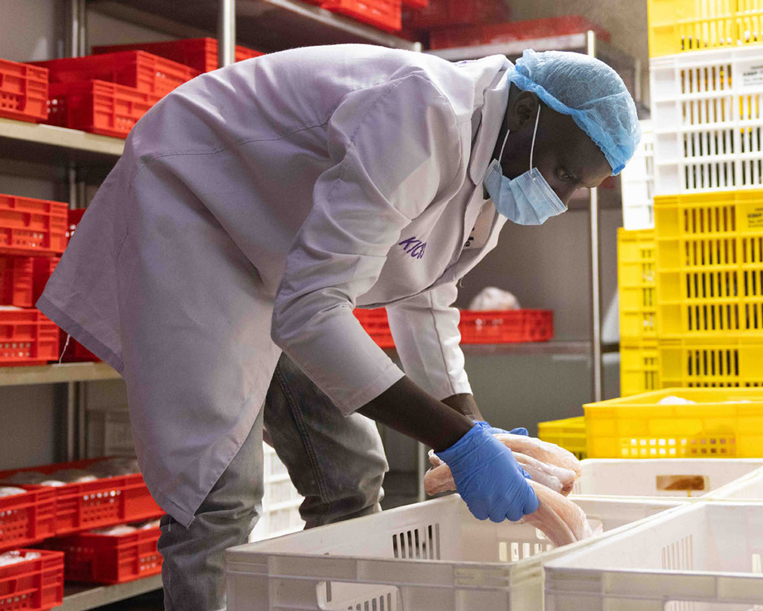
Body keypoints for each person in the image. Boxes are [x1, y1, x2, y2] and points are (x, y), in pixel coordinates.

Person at [37, 45, 640, 609]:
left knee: (350, 469)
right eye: (561, 171)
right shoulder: (424, 112)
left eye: (574, 189)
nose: (557, 197)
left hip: (278, 255)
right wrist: (458, 442)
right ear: (530, 109)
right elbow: (310, 311)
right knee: (221, 493)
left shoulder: (495, 167)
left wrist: (471, 425)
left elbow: (428, 295)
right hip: (196, 213)